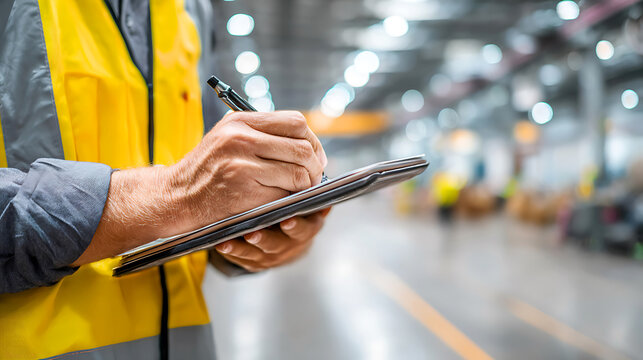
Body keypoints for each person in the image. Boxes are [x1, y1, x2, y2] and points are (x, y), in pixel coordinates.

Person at [0, 1, 328, 359]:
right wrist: (172, 196)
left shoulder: (190, 11)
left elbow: (208, 184)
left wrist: (262, 227)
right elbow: (187, 190)